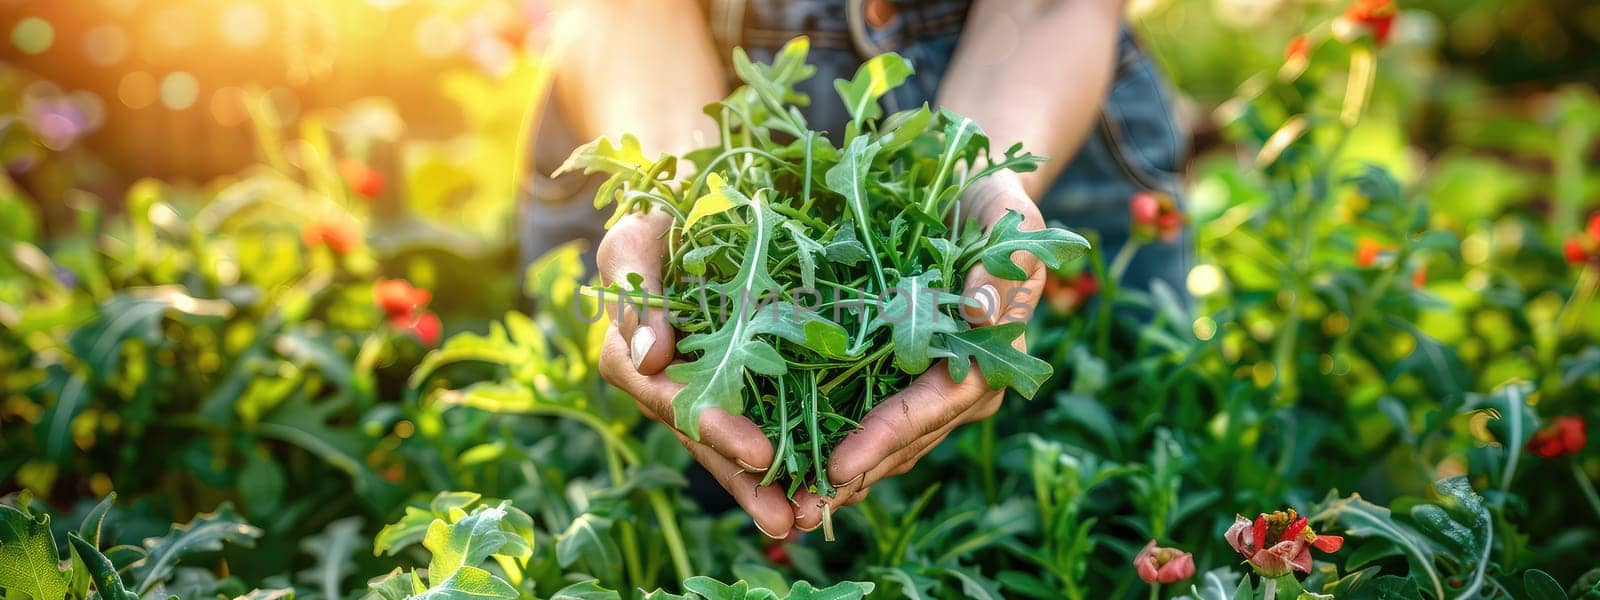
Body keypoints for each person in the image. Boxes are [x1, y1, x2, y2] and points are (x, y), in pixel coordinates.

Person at [519, 0, 1191, 540]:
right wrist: (680, 194)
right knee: (675, 523)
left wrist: (964, 185)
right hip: (654, 90)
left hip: (1039, 97)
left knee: (1103, 514)